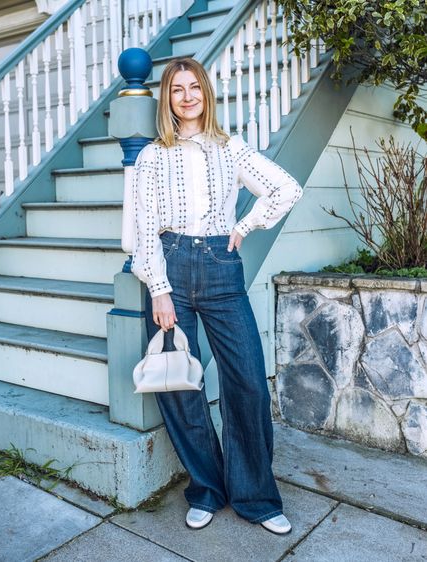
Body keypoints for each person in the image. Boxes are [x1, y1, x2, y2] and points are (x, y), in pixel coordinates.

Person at [130, 57, 303, 534]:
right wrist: (159, 290)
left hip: (221, 267)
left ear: (206, 93)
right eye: (176, 89)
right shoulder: (152, 156)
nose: (187, 96)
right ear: (167, 99)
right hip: (170, 265)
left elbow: (285, 189)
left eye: (194, 88)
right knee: (182, 386)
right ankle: (207, 488)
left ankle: (257, 497)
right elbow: (145, 228)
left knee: (246, 378)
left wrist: (244, 226)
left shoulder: (231, 149)